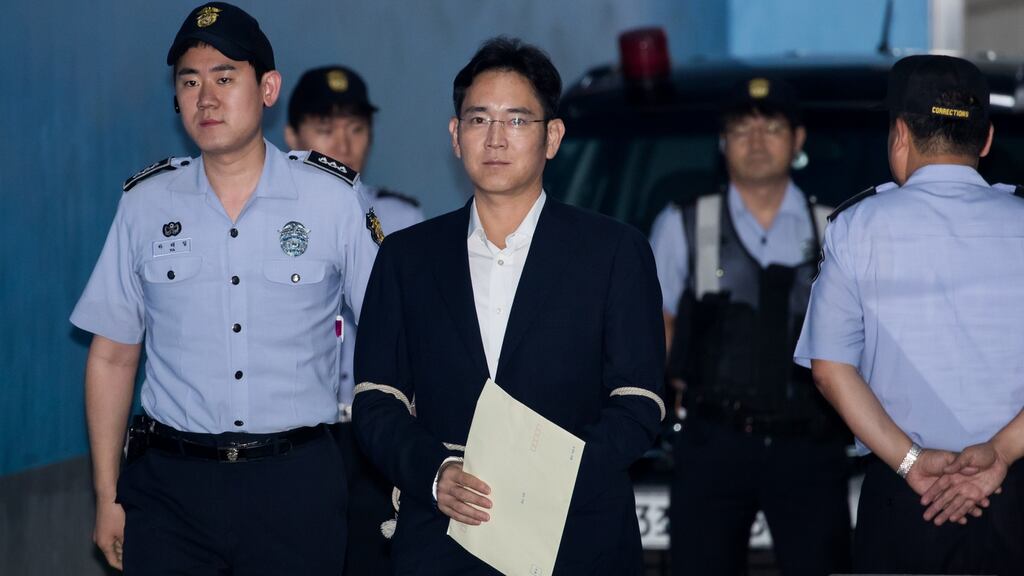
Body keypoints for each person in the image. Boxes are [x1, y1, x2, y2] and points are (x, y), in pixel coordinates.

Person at [70, 3, 379, 574]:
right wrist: (107, 494)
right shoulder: (145, 204)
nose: (205, 97)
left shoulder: (331, 200)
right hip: (171, 489)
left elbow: (391, 333)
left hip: (295, 486)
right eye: (189, 81)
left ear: (268, 89)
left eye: (224, 77)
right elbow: (113, 356)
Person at [351, 37, 665, 575]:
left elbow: (639, 402)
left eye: (517, 121)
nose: (495, 138)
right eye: (478, 120)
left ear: (553, 137)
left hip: (576, 532)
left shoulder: (613, 251)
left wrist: (546, 477)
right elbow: (376, 399)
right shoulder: (408, 256)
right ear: (455, 136)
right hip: (442, 532)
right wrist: (435, 472)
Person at [795, 54, 1024, 575]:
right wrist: (1002, 455)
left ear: (900, 133)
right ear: (985, 142)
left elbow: (830, 369)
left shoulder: (858, 226)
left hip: (905, 499)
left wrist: (910, 462)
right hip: (1014, 498)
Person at [649, 77, 850, 575]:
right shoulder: (683, 223)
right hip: (712, 443)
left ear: (798, 139)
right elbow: (658, 325)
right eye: (742, 128)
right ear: (722, 141)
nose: (757, 141)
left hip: (811, 448)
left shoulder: (839, 228)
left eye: (772, 127)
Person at [284, 64, 424, 575]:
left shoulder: (405, 222)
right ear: (292, 135)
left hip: (372, 436)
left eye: (357, 128)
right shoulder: (266, 224)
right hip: (296, 437)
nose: (342, 143)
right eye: (325, 127)